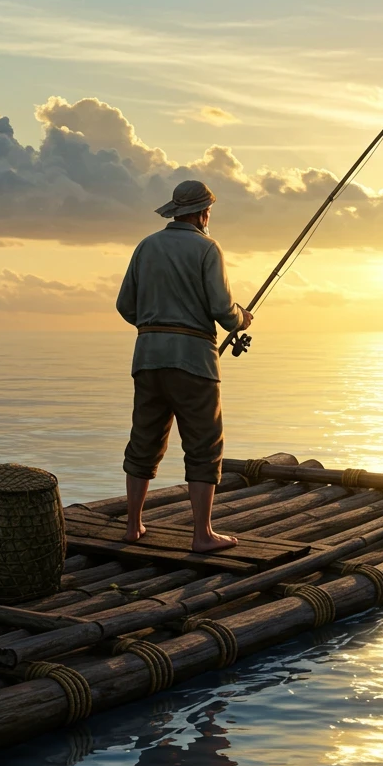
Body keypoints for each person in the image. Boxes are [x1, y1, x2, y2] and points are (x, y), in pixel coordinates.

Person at [115, 179, 253, 552]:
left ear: (175, 211)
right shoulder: (208, 248)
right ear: (203, 213)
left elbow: (125, 306)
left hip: (147, 359)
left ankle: (133, 526)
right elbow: (223, 311)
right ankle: (202, 535)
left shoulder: (146, 246)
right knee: (204, 446)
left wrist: (155, 326)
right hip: (194, 363)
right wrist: (243, 318)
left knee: (144, 440)